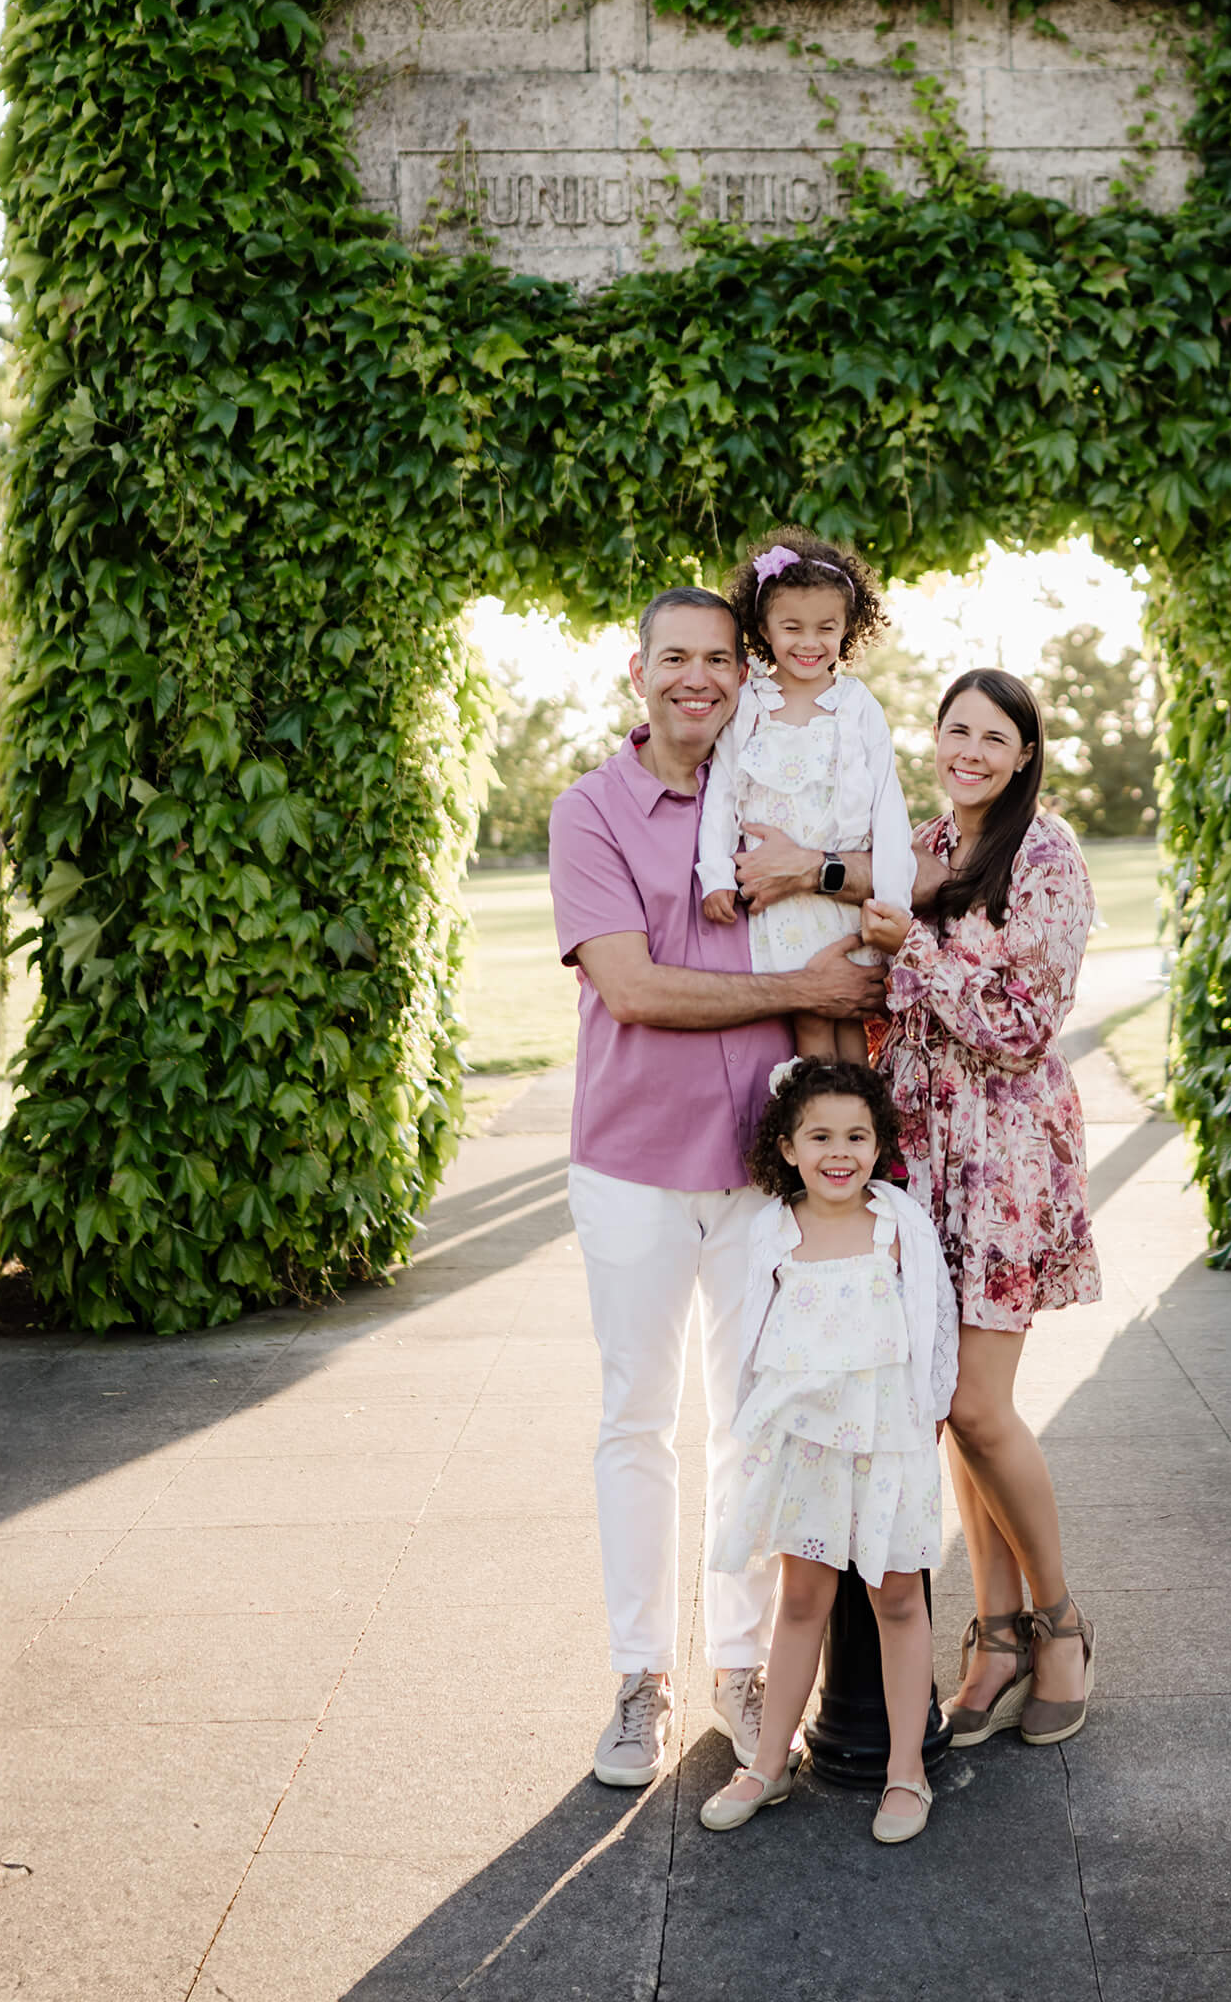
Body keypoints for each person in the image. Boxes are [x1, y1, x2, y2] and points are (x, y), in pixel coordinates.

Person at [549, 587, 886, 1791]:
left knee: (756, 1424)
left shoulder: (770, 792)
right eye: (675, 657)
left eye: (721, 659)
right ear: (638, 669)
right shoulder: (589, 811)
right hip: (632, 1166)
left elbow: (871, 910)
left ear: (747, 674)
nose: (700, 677)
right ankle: (640, 1679)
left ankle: (742, 1668)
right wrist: (798, 985)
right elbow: (635, 990)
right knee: (636, 1421)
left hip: (759, 1172)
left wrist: (835, 907)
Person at [861, 667, 1100, 1751]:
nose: (967, 750)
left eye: (991, 736)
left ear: (1023, 753)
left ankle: (1059, 1625)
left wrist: (908, 941)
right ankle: (994, 1634)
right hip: (923, 1151)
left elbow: (1017, 1026)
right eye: (954, 729)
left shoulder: (1045, 854)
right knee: (945, 1397)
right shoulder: (922, 845)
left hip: (1004, 1154)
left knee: (976, 1403)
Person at [700, 1057, 957, 1845]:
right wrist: (752, 1436)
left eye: (856, 1135)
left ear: (879, 1146)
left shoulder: (898, 1224)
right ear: (786, 1147)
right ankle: (766, 1763)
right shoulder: (773, 1229)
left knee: (897, 1597)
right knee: (802, 1598)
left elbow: (934, 1321)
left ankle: (905, 1772)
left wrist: (932, 1409)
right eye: (819, 1136)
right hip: (806, 1443)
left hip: (888, 1437)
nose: (838, 1152)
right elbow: (749, 1338)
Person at [697, 527, 915, 1064]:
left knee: (854, 1017)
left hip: (842, 898)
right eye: (792, 627)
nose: (809, 642)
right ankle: (820, 1134)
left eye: (826, 627)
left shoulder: (857, 703)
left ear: (848, 628)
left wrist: (893, 897)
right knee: (813, 1018)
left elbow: (888, 801)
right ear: (764, 628)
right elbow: (721, 791)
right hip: (780, 900)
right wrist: (717, 875)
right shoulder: (749, 702)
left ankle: (857, 1134)